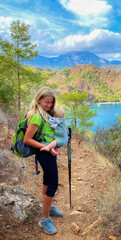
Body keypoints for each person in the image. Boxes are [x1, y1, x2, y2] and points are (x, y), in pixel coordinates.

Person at [24, 87, 63, 235]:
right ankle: (45, 219)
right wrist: (47, 148)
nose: (48, 105)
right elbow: (27, 140)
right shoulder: (36, 116)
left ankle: (49, 207)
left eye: (51, 103)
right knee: (53, 183)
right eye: (46, 102)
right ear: (39, 99)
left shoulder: (45, 114)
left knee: (47, 179)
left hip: (48, 151)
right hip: (43, 152)